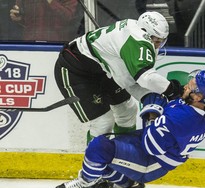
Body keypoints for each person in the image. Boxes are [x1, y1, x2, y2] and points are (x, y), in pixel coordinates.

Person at [54, 69, 205, 188]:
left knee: (98, 147)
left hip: (151, 161)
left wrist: (153, 111)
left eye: (192, 85)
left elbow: (150, 145)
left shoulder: (181, 118)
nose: (188, 85)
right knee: (106, 153)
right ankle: (128, 184)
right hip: (166, 147)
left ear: (198, 97)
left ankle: (86, 182)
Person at [53, 11, 183, 143]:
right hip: (75, 70)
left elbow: (129, 80)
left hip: (104, 69)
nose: (157, 45)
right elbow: (145, 78)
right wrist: (171, 90)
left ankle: (125, 153)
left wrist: (149, 95)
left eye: (161, 41)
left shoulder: (136, 31)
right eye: (156, 40)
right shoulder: (136, 41)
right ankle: (94, 161)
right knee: (103, 122)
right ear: (145, 32)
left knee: (128, 111)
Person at [9, 0, 79, 42]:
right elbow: (23, 17)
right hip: (29, 45)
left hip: (57, 47)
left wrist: (51, 1)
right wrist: (18, 18)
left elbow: (69, 18)